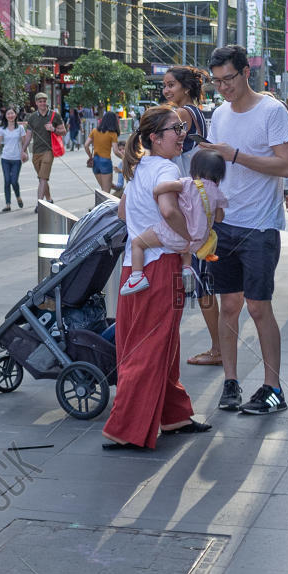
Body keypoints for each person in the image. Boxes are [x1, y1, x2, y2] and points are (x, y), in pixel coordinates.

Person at [101, 106, 211, 450]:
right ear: (154, 137)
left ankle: (174, 416)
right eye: (174, 129)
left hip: (135, 271)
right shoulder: (165, 168)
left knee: (155, 343)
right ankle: (125, 429)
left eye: (182, 127)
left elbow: (121, 211)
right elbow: (167, 210)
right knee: (149, 347)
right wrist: (191, 236)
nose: (181, 134)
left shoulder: (138, 169)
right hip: (160, 268)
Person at [196, 45, 288, 414]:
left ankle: (273, 389)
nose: (223, 88)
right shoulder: (220, 114)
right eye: (217, 82)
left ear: (245, 73)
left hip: (260, 225)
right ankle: (231, 382)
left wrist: (234, 154)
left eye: (228, 79)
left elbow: (285, 165)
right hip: (225, 224)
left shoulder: (272, 111)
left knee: (258, 307)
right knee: (230, 306)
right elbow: (218, 164)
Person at [119, 148, 228, 295]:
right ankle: (187, 269)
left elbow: (163, 187)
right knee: (187, 244)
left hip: (177, 235)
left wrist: (156, 193)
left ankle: (137, 277)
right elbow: (220, 217)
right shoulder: (217, 193)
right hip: (198, 241)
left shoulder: (189, 184)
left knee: (138, 243)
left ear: (195, 169)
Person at [22, 92, 62, 202]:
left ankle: (40, 203)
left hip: (49, 150)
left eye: (44, 101)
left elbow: (63, 131)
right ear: (36, 103)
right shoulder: (32, 117)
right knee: (41, 178)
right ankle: (49, 198)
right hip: (36, 151)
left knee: (43, 177)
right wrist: (23, 150)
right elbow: (28, 136)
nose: (43, 103)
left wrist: (54, 129)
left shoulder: (54, 115)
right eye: (40, 101)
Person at [0, 106, 26, 211]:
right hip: (5, 158)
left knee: (14, 181)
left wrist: (25, 153)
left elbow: (24, 143)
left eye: (12, 113)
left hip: (16, 159)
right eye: (8, 114)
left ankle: (18, 196)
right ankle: (8, 204)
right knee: (7, 181)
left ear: (15, 115)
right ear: (5, 116)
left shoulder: (20, 128)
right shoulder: (2, 129)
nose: (10, 115)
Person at [85, 111, 120, 195]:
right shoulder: (112, 133)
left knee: (103, 189)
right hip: (105, 162)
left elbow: (86, 145)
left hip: (95, 161)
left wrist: (90, 156)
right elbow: (115, 151)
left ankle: (118, 189)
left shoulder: (94, 131)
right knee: (106, 193)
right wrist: (125, 157)